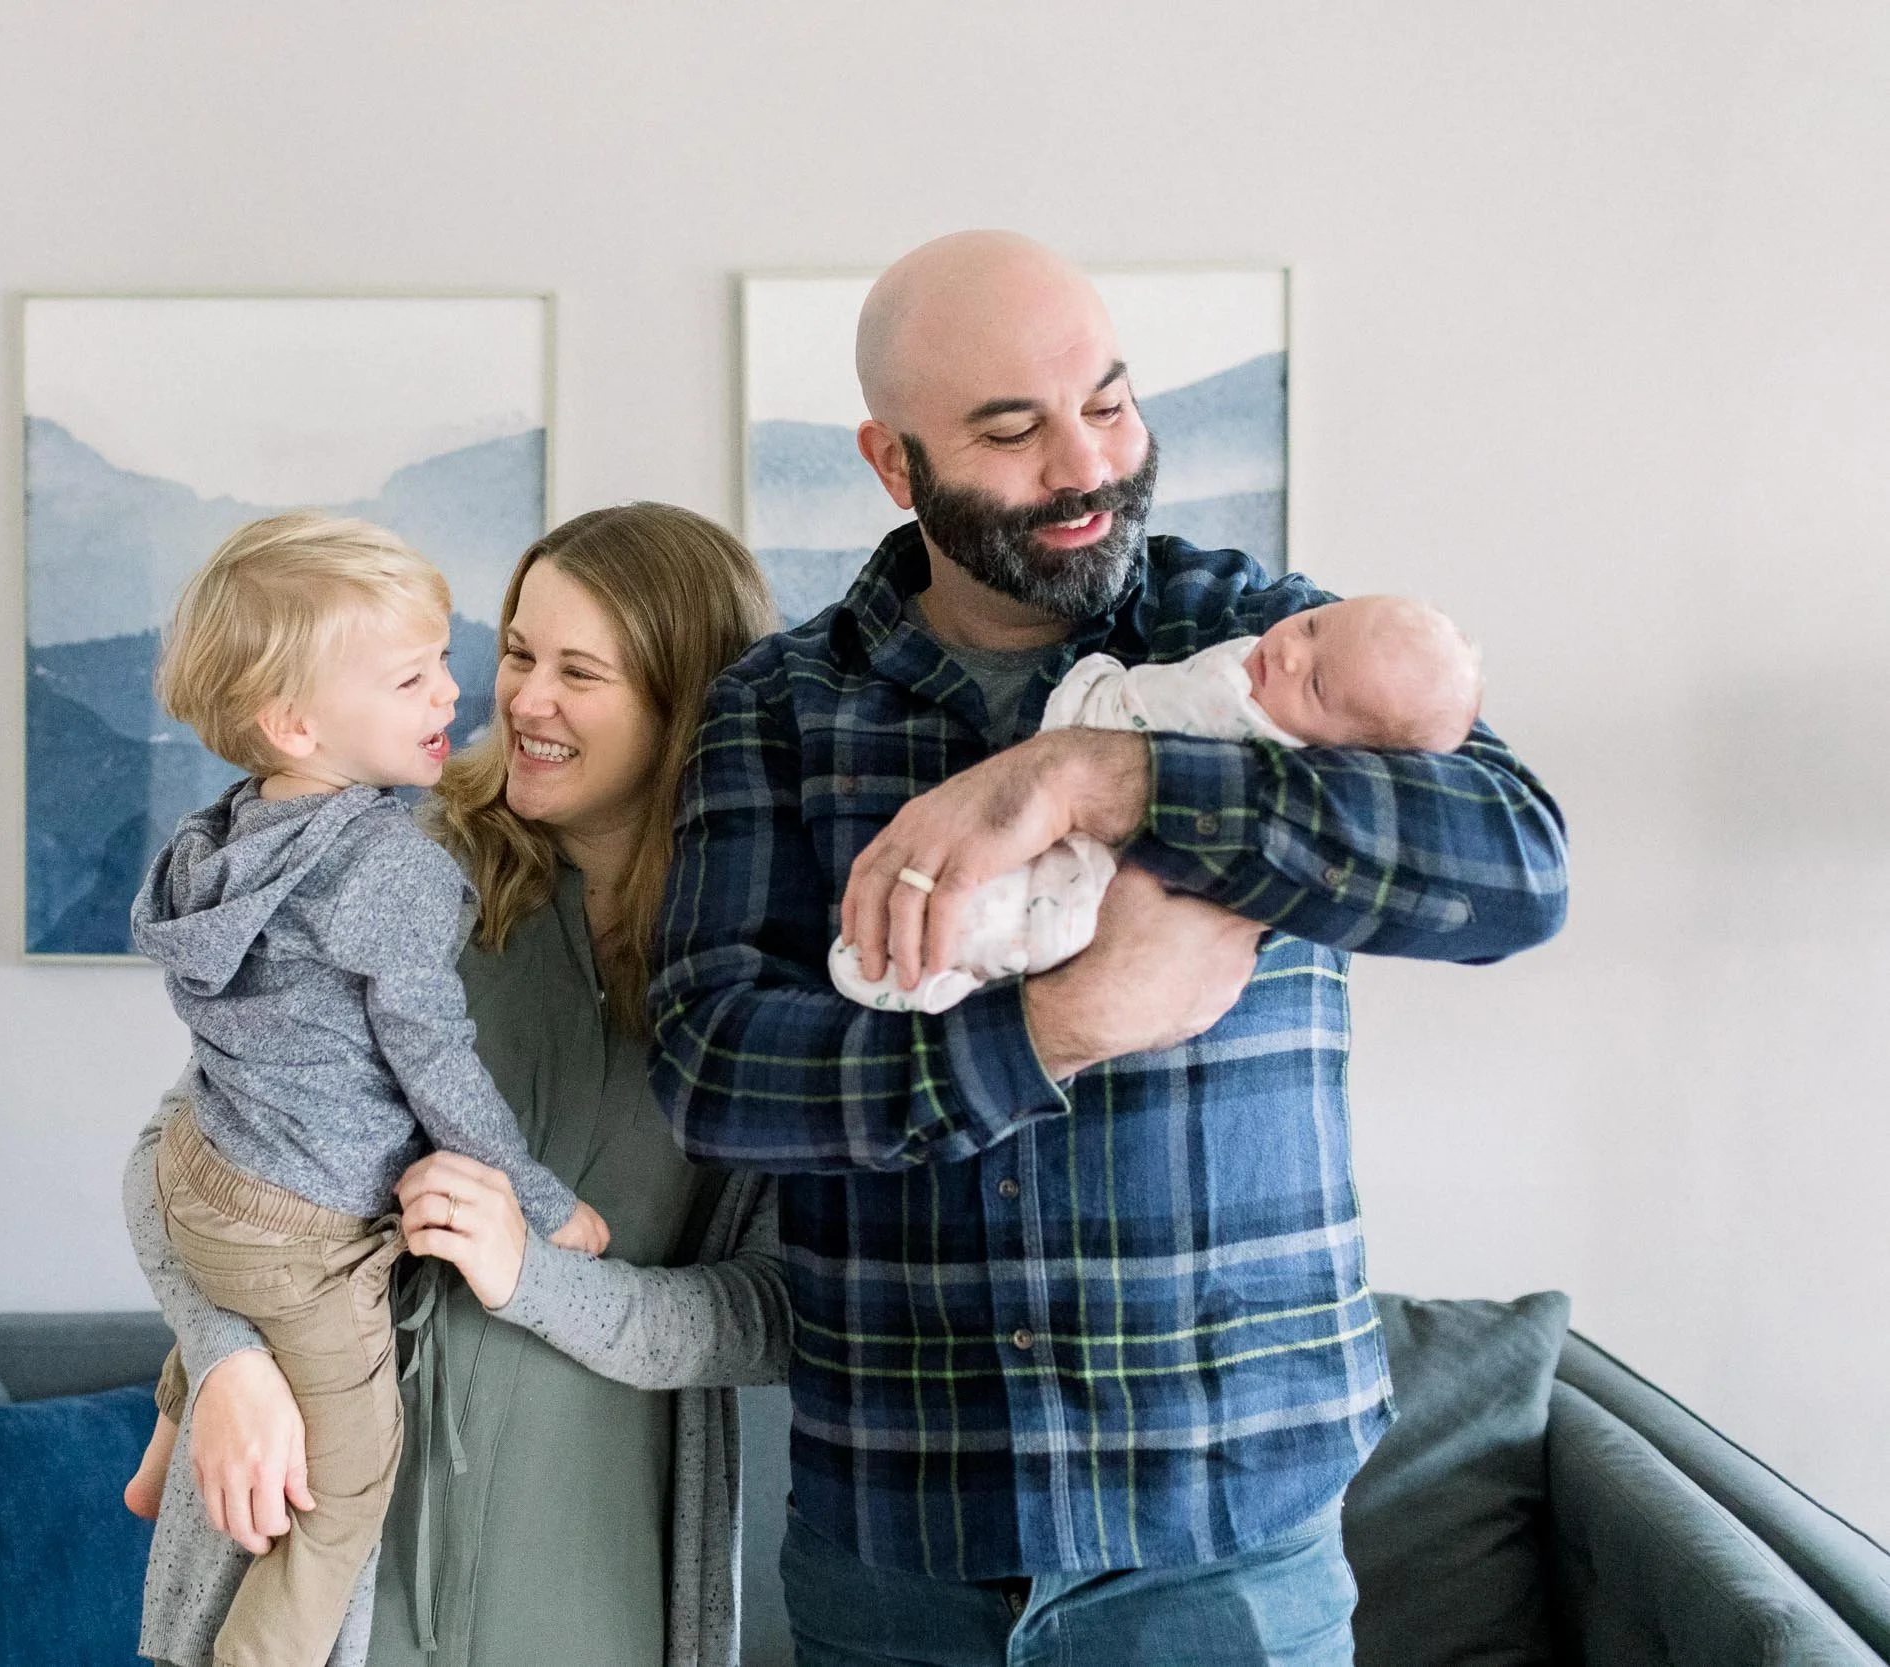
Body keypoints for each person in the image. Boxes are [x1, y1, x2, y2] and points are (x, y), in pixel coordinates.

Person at [651, 231, 1569, 1666]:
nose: (1085, 465)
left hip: (1229, 1542)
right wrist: (1049, 1029)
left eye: (1113, 401)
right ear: (894, 465)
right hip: (899, 1541)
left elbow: (1516, 867)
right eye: (1011, 431)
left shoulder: (1272, 641)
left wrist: (1100, 776)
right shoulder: (781, 705)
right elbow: (708, 1067)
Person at [124, 503, 794, 1667]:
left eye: (579, 671)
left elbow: (772, 1311)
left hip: (594, 1568)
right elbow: (174, 1159)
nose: (522, 699)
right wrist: (220, 1352)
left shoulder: (768, 969)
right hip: (322, 1549)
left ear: (687, 700)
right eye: (519, 651)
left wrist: (534, 1277)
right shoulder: (390, 866)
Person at [828, 594, 1485, 1012]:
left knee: (1013, 917)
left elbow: (1520, 875)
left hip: (1102, 877)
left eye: (1313, 685)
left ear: (1353, 759)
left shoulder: (1259, 722)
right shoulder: (1254, 646)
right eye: (1312, 624)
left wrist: (1093, 769)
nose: (1286, 650)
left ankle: (928, 969)